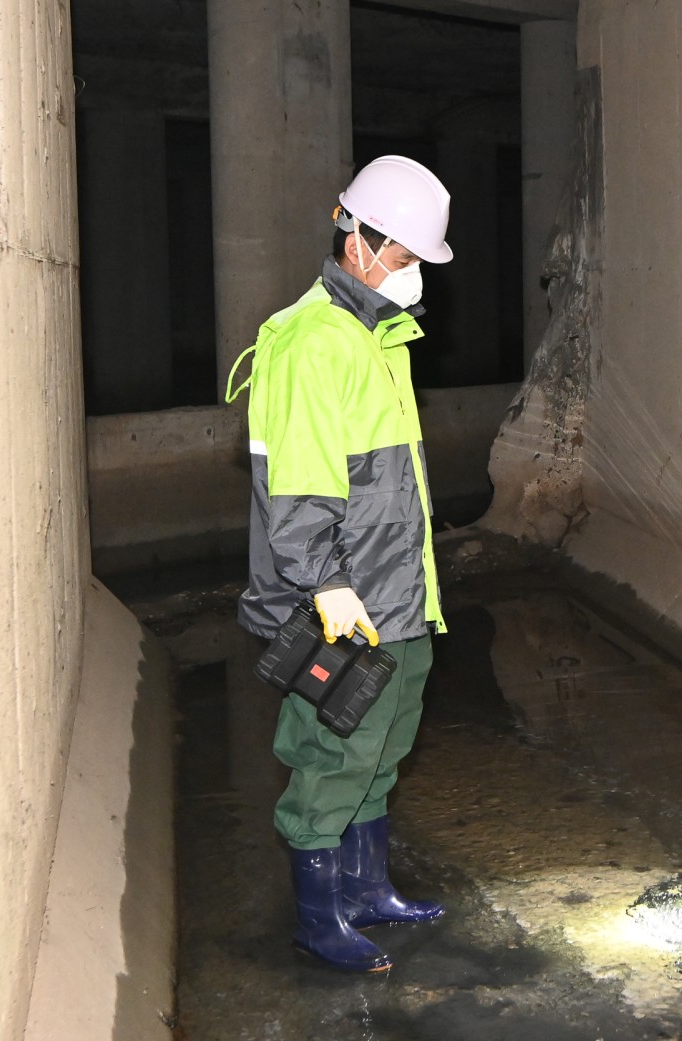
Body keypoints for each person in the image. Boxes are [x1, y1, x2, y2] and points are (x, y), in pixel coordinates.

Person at [226, 155, 455, 972]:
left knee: (383, 748)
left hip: (399, 597)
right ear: (356, 239)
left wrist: (412, 593)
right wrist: (327, 587)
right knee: (331, 758)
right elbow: (298, 490)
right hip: (343, 603)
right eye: (404, 256)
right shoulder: (311, 343)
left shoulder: (381, 336)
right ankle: (319, 920)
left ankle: (367, 889)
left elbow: (388, 485)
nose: (413, 273)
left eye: (420, 260)